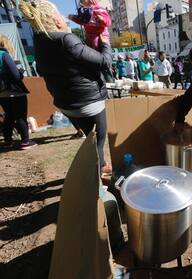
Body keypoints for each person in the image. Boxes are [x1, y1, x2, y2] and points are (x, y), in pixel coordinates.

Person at [20, 0, 112, 174]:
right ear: (56, 20)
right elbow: (104, 62)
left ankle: (97, 166)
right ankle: (98, 173)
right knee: (99, 139)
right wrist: (105, 43)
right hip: (90, 103)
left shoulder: (39, 40)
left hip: (65, 105)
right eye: (61, 16)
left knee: (89, 138)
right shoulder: (66, 40)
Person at [0, 34, 36, 149]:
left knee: (9, 116)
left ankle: (7, 141)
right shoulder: (4, 55)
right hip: (14, 90)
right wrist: (20, 72)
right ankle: (25, 142)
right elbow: (16, 76)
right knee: (20, 116)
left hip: (1, 93)